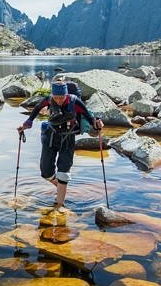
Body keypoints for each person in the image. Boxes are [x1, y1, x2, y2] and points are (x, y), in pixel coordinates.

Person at [17, 81, 103, 211]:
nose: (58, 100)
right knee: (45, 172)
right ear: (52, 95)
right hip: (51, 136)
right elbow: (34, 112)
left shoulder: (75, 102)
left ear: (66, 94)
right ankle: (61, 187)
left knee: (63, 171)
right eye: (55, 97)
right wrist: (25, 125)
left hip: (68, 138)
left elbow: (91, 119)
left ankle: (59, 205)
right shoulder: (48, 99)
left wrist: (97, 124)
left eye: (61, 97)